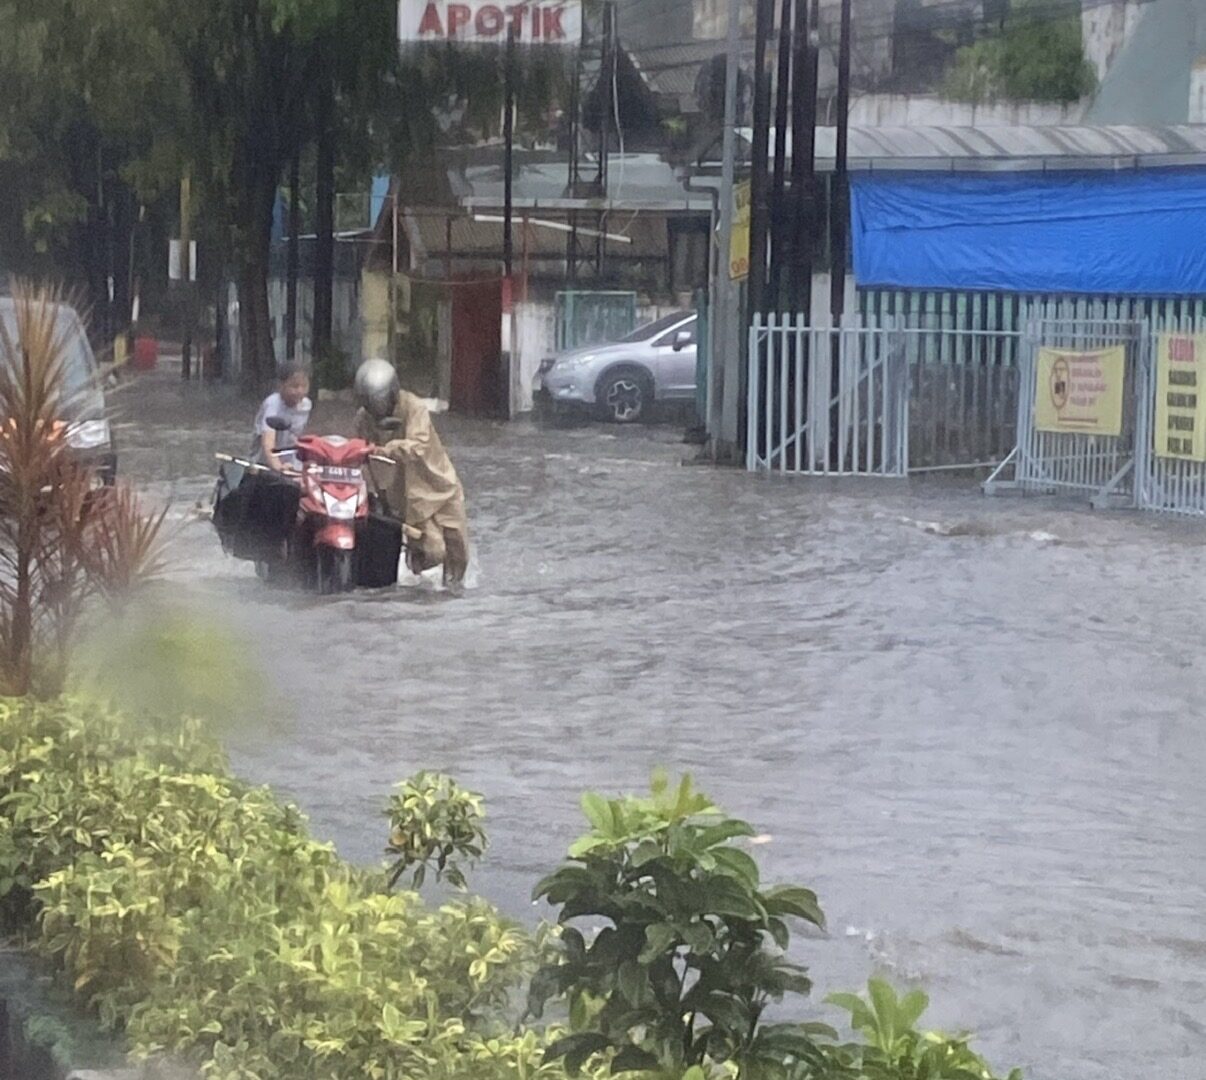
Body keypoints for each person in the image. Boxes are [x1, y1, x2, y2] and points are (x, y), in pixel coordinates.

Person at [353, 358, 470, 586]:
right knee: (434, 551)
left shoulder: (414, 408)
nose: (377, 409)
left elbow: (418, 446)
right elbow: (359, 454)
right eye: (370, 403)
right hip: (408, 496)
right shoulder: (363, 419)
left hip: (439, 483)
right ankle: (415, 574)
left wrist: (385, 449)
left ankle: (452, 597)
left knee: (459, 553)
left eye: (380, 401)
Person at [253, 363, 312, 472]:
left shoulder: (306, 405)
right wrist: (278, 467)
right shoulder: (272, 405)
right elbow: (268, 442)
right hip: (265, 466)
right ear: (281, 385)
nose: (300, 391)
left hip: (292, 465)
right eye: (294, 386)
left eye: (304, 386)